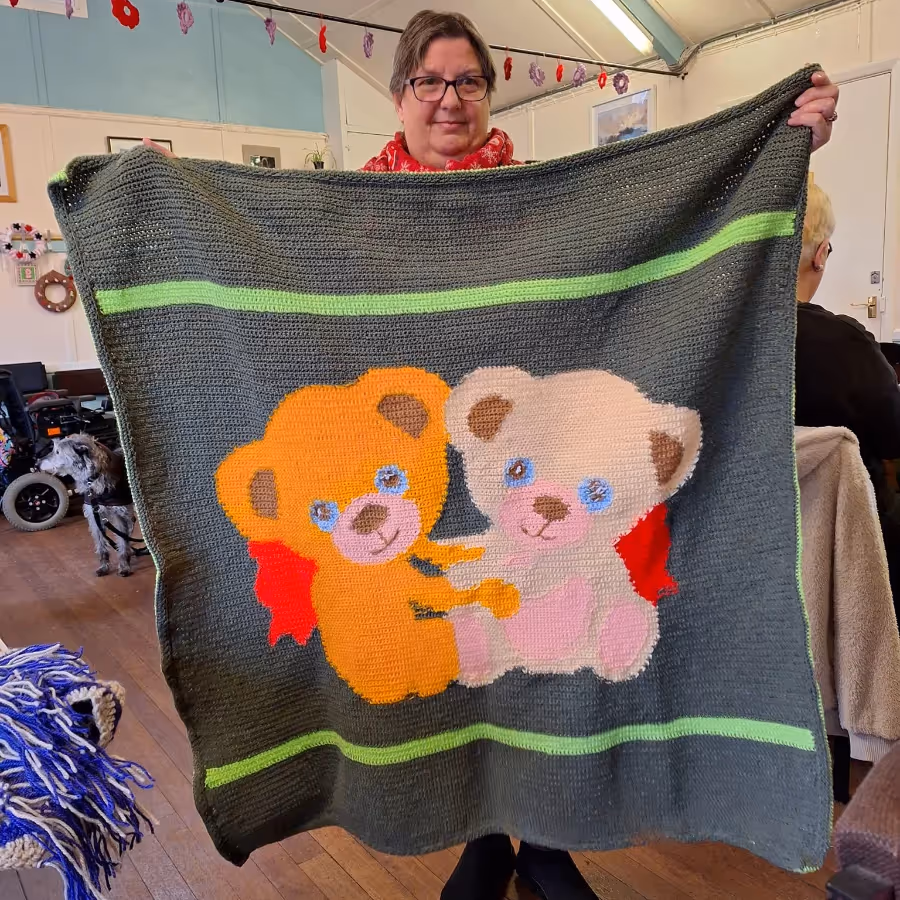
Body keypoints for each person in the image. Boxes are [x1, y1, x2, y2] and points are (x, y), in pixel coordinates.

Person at [147, 10, 840, 899]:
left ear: (489, 92)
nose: (449, 99)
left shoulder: (542, 195)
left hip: (519, 461)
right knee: (451, 662)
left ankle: (543, 843)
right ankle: (480, 840)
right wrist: (173, 194)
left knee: (531, 653)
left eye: (467, 81)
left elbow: (661, 202)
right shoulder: (347, 212)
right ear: (399, 95)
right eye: (429, 81)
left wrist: (781, 142)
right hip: (412, 467)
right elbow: (264, 260)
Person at [794, 181, 900, 619]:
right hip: (850, 538)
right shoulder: (845, 342)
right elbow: (894, 436)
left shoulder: (704, 341)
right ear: (820, 254)